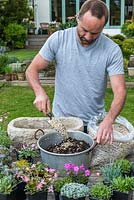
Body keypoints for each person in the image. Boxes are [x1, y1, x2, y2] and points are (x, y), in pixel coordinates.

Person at [26, 0, 126, 145]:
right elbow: (31, 70)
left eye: (95, 33)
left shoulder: (112, 50)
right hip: (62, 122)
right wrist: (39, 92)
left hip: (93, 125)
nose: (88, 37)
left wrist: (109, 119)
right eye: (84, 30)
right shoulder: (59, 39)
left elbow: (120, 91)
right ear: (77, 18)